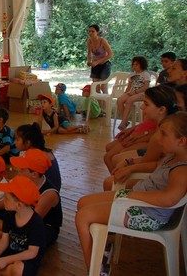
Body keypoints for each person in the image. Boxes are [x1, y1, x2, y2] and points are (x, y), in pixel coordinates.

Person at [75, 112, 187, 272]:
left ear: (181, 141)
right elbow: (156, 166)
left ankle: (95, 268)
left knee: (83, 216)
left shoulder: (182, 170)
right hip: (136, 202)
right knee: (83, 202)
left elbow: (169, 199)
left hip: (146, 214)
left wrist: (130, 195)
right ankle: (102, 251)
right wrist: (131, 167)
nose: (158, 138)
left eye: (163, 134)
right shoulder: (172, 157)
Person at [103, 85, 177, 173]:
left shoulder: (161, 134)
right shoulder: (162, 127)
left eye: (146, 104)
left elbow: (149, 162)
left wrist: (128, 163)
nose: (142, 107)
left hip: (156, 174)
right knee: (113, 157)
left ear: (161, 110)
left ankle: (116, 183)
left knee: (115, 158)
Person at [15, 123, 61, 192]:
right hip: (51, 190)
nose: (15, 142)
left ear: (27, 143)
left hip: (45, 192)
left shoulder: (35, 157)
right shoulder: (43, 151)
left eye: (17, 140)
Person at [116, 56, 150, 130]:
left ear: (142, 64)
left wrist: (135, 92)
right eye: (133, 64)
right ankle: (125, 120)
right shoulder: (131, 75)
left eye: (136, 64)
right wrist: (125, 94)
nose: (134, 66)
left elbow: (146, 86)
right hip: (132, 92)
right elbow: (129, 87)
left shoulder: (145, 74)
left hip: (142, 94)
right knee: (119, 100)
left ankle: (123, 122)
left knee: (129, 100)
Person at [86, 24, 113, 92]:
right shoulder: (89, 41)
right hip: (95, 65)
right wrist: (89, 61)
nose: (90, 33)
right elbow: (89, 53)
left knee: (103, 87)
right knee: (96, 87)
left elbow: (110, 54)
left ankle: (106, 102)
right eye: (89, 31)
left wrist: (98, 62)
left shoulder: (102, 41)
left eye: (92, 31)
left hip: (105, 65)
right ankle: (100, 103)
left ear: (97, 32)